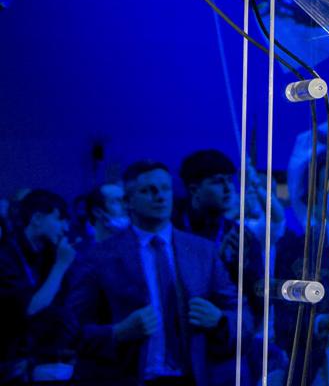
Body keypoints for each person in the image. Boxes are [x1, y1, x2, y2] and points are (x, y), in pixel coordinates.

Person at [68, 160, 243, 386]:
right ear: (128, 201)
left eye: (165, 189)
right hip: (128, 377)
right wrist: (117, 332)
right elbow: (73, 330)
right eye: (148, 190)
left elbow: (240, 312)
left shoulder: (202, 251)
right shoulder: (99, 257)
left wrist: (220, 320)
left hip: (192, 378)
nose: (160, 196)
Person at [0, 189, 76, 382]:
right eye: (59, 219)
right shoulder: (6, 256)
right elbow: (30, 307)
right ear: (37, 218)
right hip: (11, 360)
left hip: (46, 355)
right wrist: (61, 266)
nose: (65, 227)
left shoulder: (51, 253)